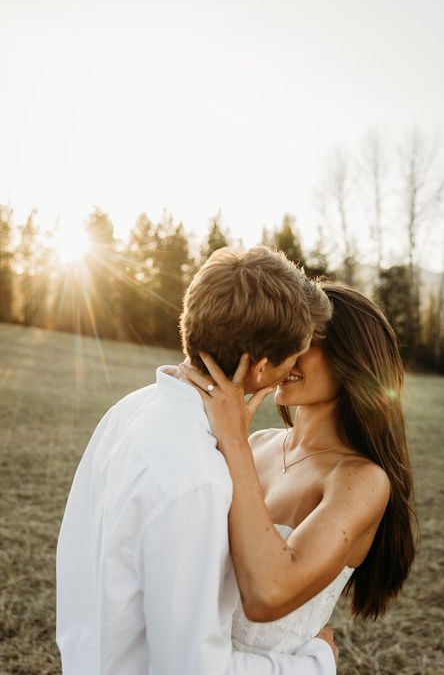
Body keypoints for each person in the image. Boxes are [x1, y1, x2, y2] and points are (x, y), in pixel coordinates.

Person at [56, 246, 339, 675]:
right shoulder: (199, 480)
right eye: (293, 356)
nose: (297, 366)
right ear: (261, 370)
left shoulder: (131, 409)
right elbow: (191, 668)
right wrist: (315, 665)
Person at [179, 282, 417, 656]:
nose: (286, 353)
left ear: (352, 360)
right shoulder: (256, 445)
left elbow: (266, 596)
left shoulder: (362, 479)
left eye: (308, 342)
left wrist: (233, 441)